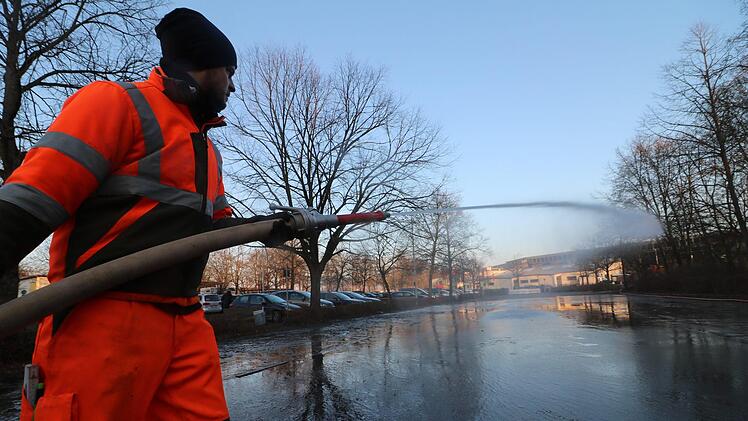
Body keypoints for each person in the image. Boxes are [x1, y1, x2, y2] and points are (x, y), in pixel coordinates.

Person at [0, 8, 269, 420]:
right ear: (204, 64)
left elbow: (216, 229)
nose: (234, 86)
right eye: (229, 72)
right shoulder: (116, 103)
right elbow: (28, 202)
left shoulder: (207, 149)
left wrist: (270, 227)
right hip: (102, 318)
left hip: (186, 321)